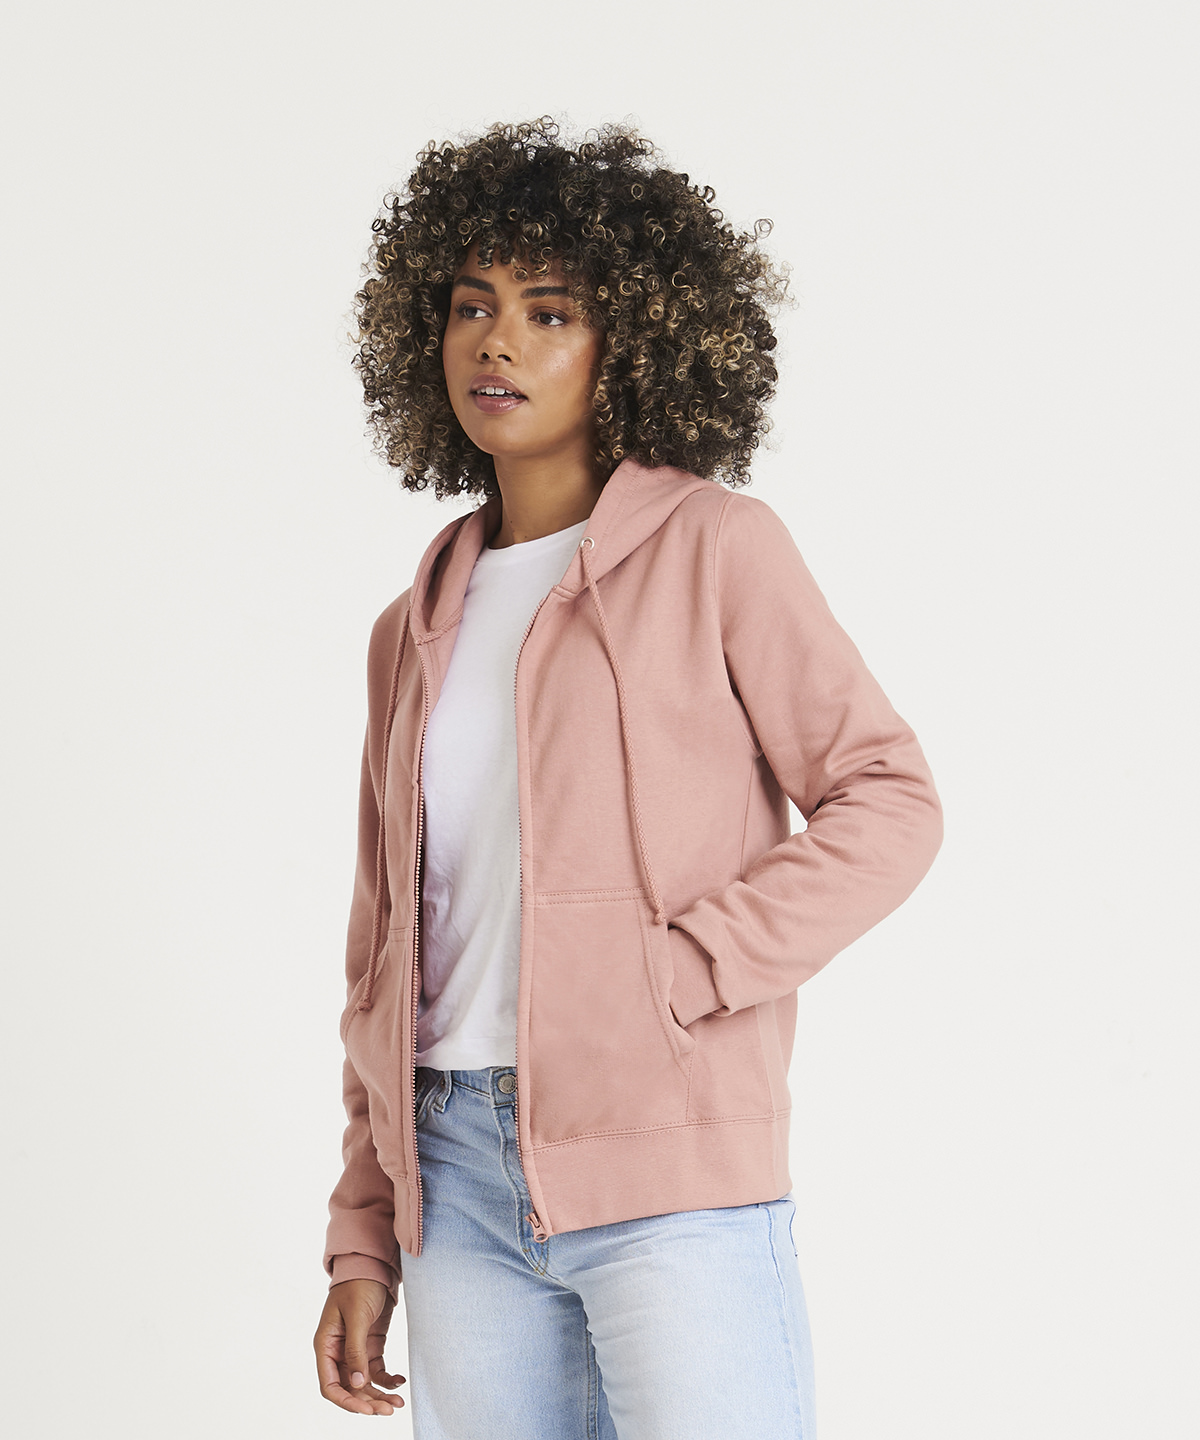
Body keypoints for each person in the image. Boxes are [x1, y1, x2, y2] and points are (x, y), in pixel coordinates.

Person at [312, 117, 943, 1439]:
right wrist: (365, 1231)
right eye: (472, 306)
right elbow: (386, 952)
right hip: (454, 1183)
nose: (497, 342)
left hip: (673, 1178)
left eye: (549, 314)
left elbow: (887, 799)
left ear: (635, 345)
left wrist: (685, 970)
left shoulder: (718, 549)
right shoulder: (408, 630)